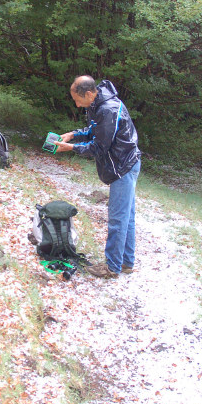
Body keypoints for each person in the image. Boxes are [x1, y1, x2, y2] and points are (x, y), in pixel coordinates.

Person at [56, 75, 141, 278]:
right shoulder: (98, 102)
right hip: (125, 163)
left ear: (88, 93)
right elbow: (95, 130)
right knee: (126, 218)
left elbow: (99, 147)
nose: (76, 105)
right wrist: (73, 134)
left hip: (123, 166)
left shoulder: (108, 109)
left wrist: (72, 148)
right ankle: (126, 263)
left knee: (118, 219)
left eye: (77, 100)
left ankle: (111, 267)